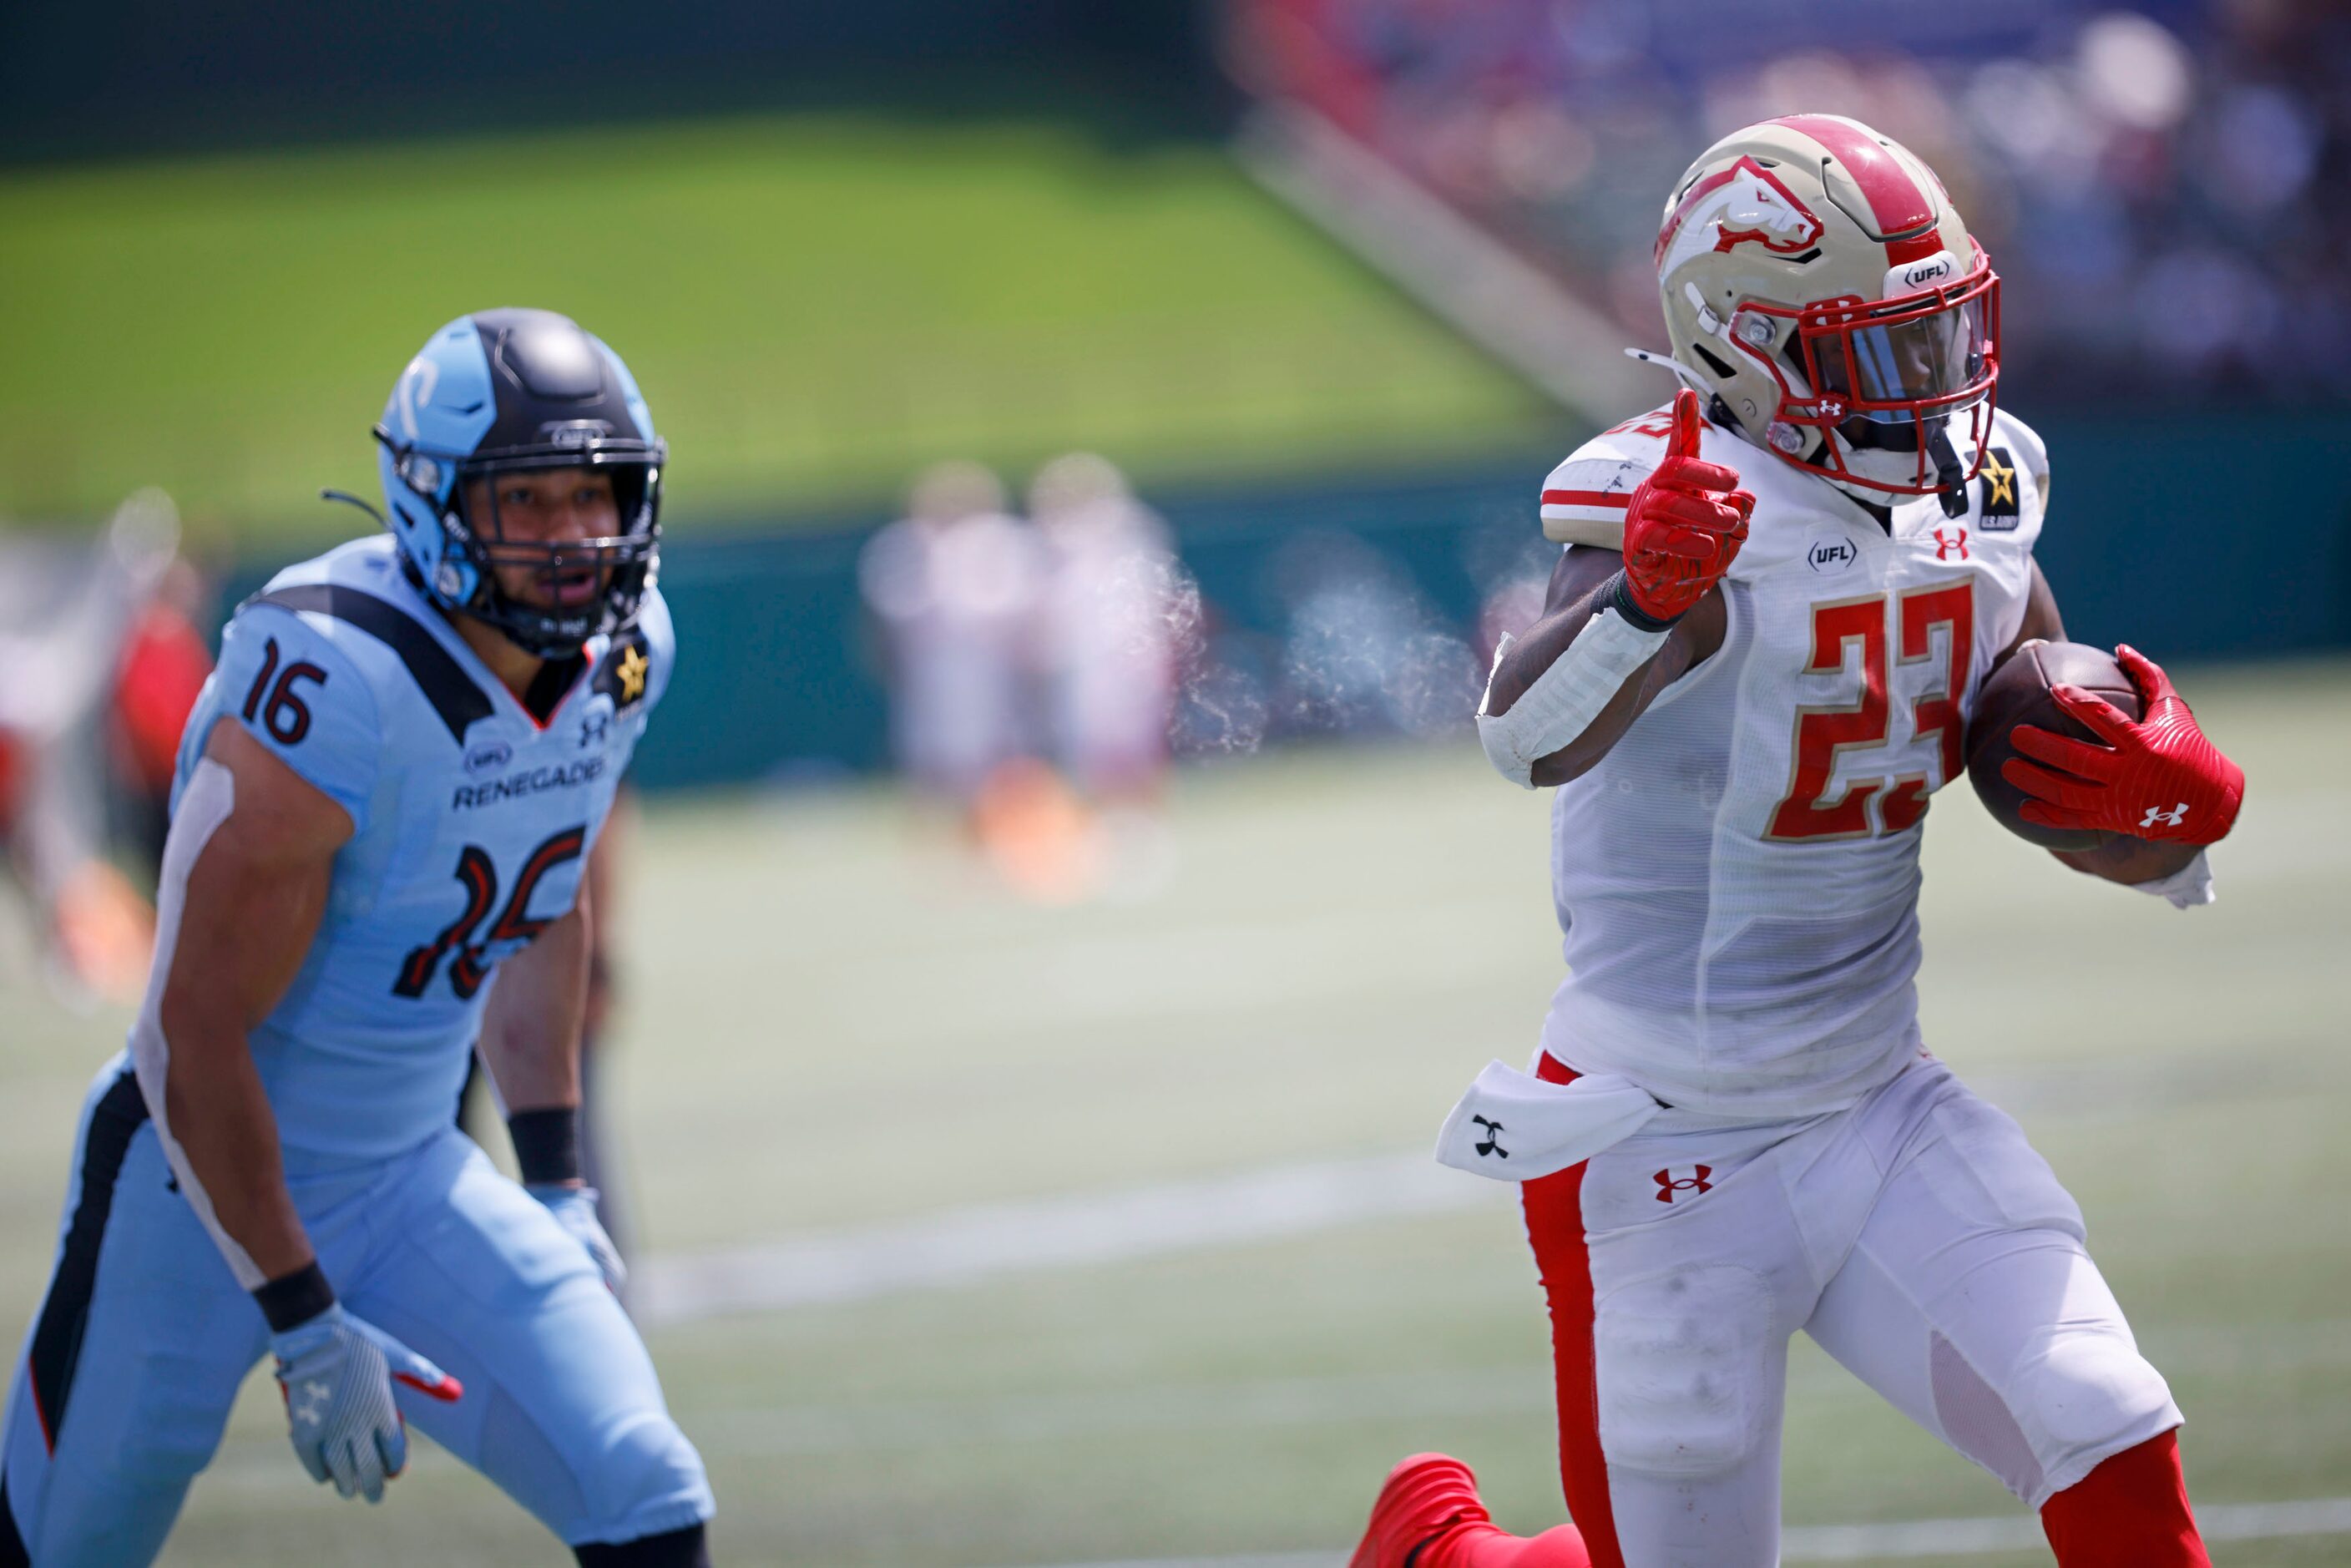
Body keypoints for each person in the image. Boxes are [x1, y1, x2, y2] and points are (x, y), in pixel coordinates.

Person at [1353, 116, 2242, 1568]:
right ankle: (1451, 1555)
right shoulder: (1679, 497)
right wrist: (1642, 601)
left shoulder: (1985, 484)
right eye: (1878, 350)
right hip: (1660, 1136)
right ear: (1744, 352)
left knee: (2106, 1413)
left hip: (1879, 1101)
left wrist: (2159, 810)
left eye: (1942, 333)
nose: (1936, 382)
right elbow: (1525, 735)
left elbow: (2036, 746)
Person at [0, 308, 714, 1565]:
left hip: (404, 1172)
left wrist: (554, 1178)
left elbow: (538, 901)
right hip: (192, 1194)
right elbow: (192, 1035)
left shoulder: (623, 650)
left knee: (644, 1479)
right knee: (67, 1548)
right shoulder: (339, 676)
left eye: (592, 496)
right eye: (528, 500)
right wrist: (296, 1307)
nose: (572, 536)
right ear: (434, 504)